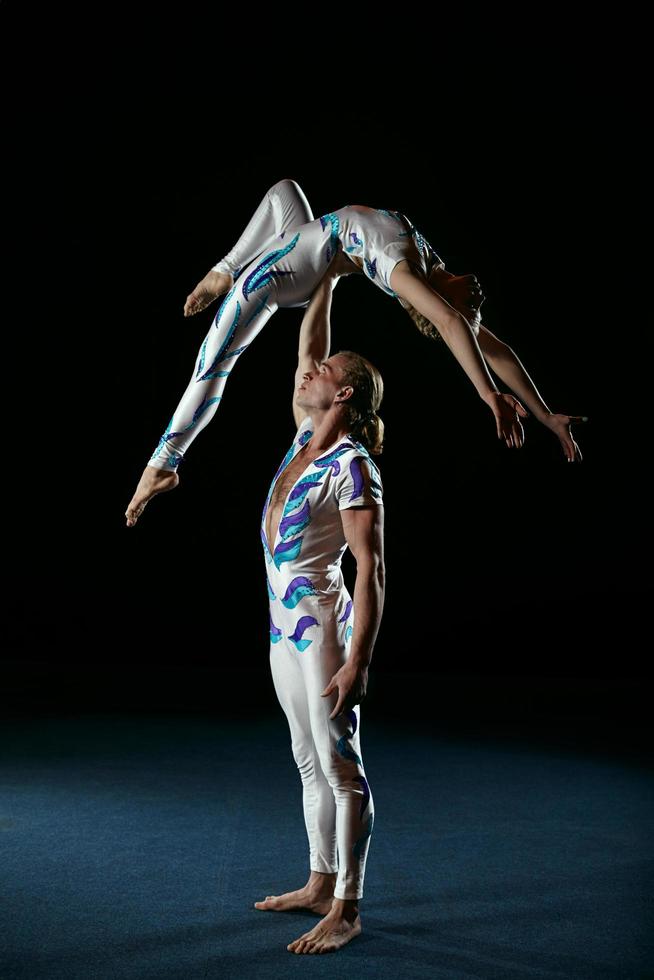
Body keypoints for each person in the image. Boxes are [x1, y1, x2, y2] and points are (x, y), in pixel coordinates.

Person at [125, 178, 587, 527]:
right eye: (477, 308)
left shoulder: (404, 272)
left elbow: (454, 326)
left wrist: (489, 396)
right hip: (312, 245)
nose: (480, 298)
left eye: (474, 306)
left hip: (291, 271)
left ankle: (163, 465)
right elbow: (497, 347)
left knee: (213, 363)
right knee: (284, 192)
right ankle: (228, 268)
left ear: (447, 305)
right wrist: (545, 416)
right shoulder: (431, 263)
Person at [255, 251, 384, 953]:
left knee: (342, 767)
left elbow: (373, 570)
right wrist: (326, 277)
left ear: (345, 396)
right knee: (308, 760)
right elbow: (308, 344)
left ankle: (349, 907)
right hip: (283, 627)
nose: (311, 370)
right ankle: (316, 881)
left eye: (327, 372)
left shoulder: (353, 467)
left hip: (324, 630)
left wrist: (357, 661)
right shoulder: (305, 438)